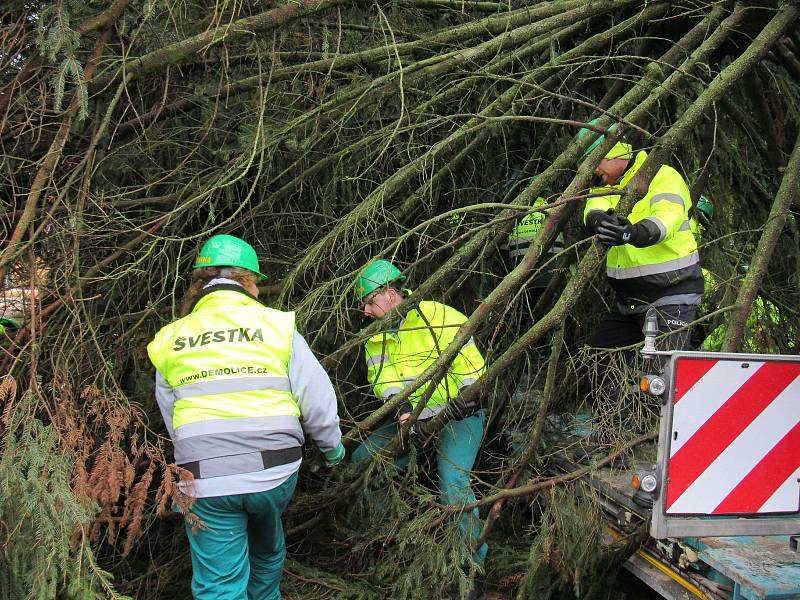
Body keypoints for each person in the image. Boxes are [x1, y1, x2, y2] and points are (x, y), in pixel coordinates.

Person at [147, 234, 344, 600]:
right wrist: (333, 449)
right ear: (249, 282)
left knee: (219, 585)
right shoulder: (277, 326)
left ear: (201, 284)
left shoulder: (170, 338)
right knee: (266, 549)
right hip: (274, 473)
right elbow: (317, 399)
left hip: (204, 479)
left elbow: (173, 416)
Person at [351, 258, 488, 599]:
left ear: (389, 294)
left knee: (454, 481)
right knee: (364, 462)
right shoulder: (375, 338)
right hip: (414, 421)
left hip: (460, 416)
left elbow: (474, 372)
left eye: (369, 303)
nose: (366, 312)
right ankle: (389, 543)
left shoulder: (439, 316)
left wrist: (464, 402)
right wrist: (407, 416)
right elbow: (384, 383)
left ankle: (469, 570)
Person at [578, 119, 704, 353]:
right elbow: (594, 207)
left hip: (670, 293)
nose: (592, 171)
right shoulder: (607, 184)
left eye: (595, 161)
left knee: (664, 373)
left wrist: (633, 233)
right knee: (596, 359)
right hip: (630, 299)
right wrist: (598, 220)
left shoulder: (663, 177)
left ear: (614, 154)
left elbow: (667, 219)